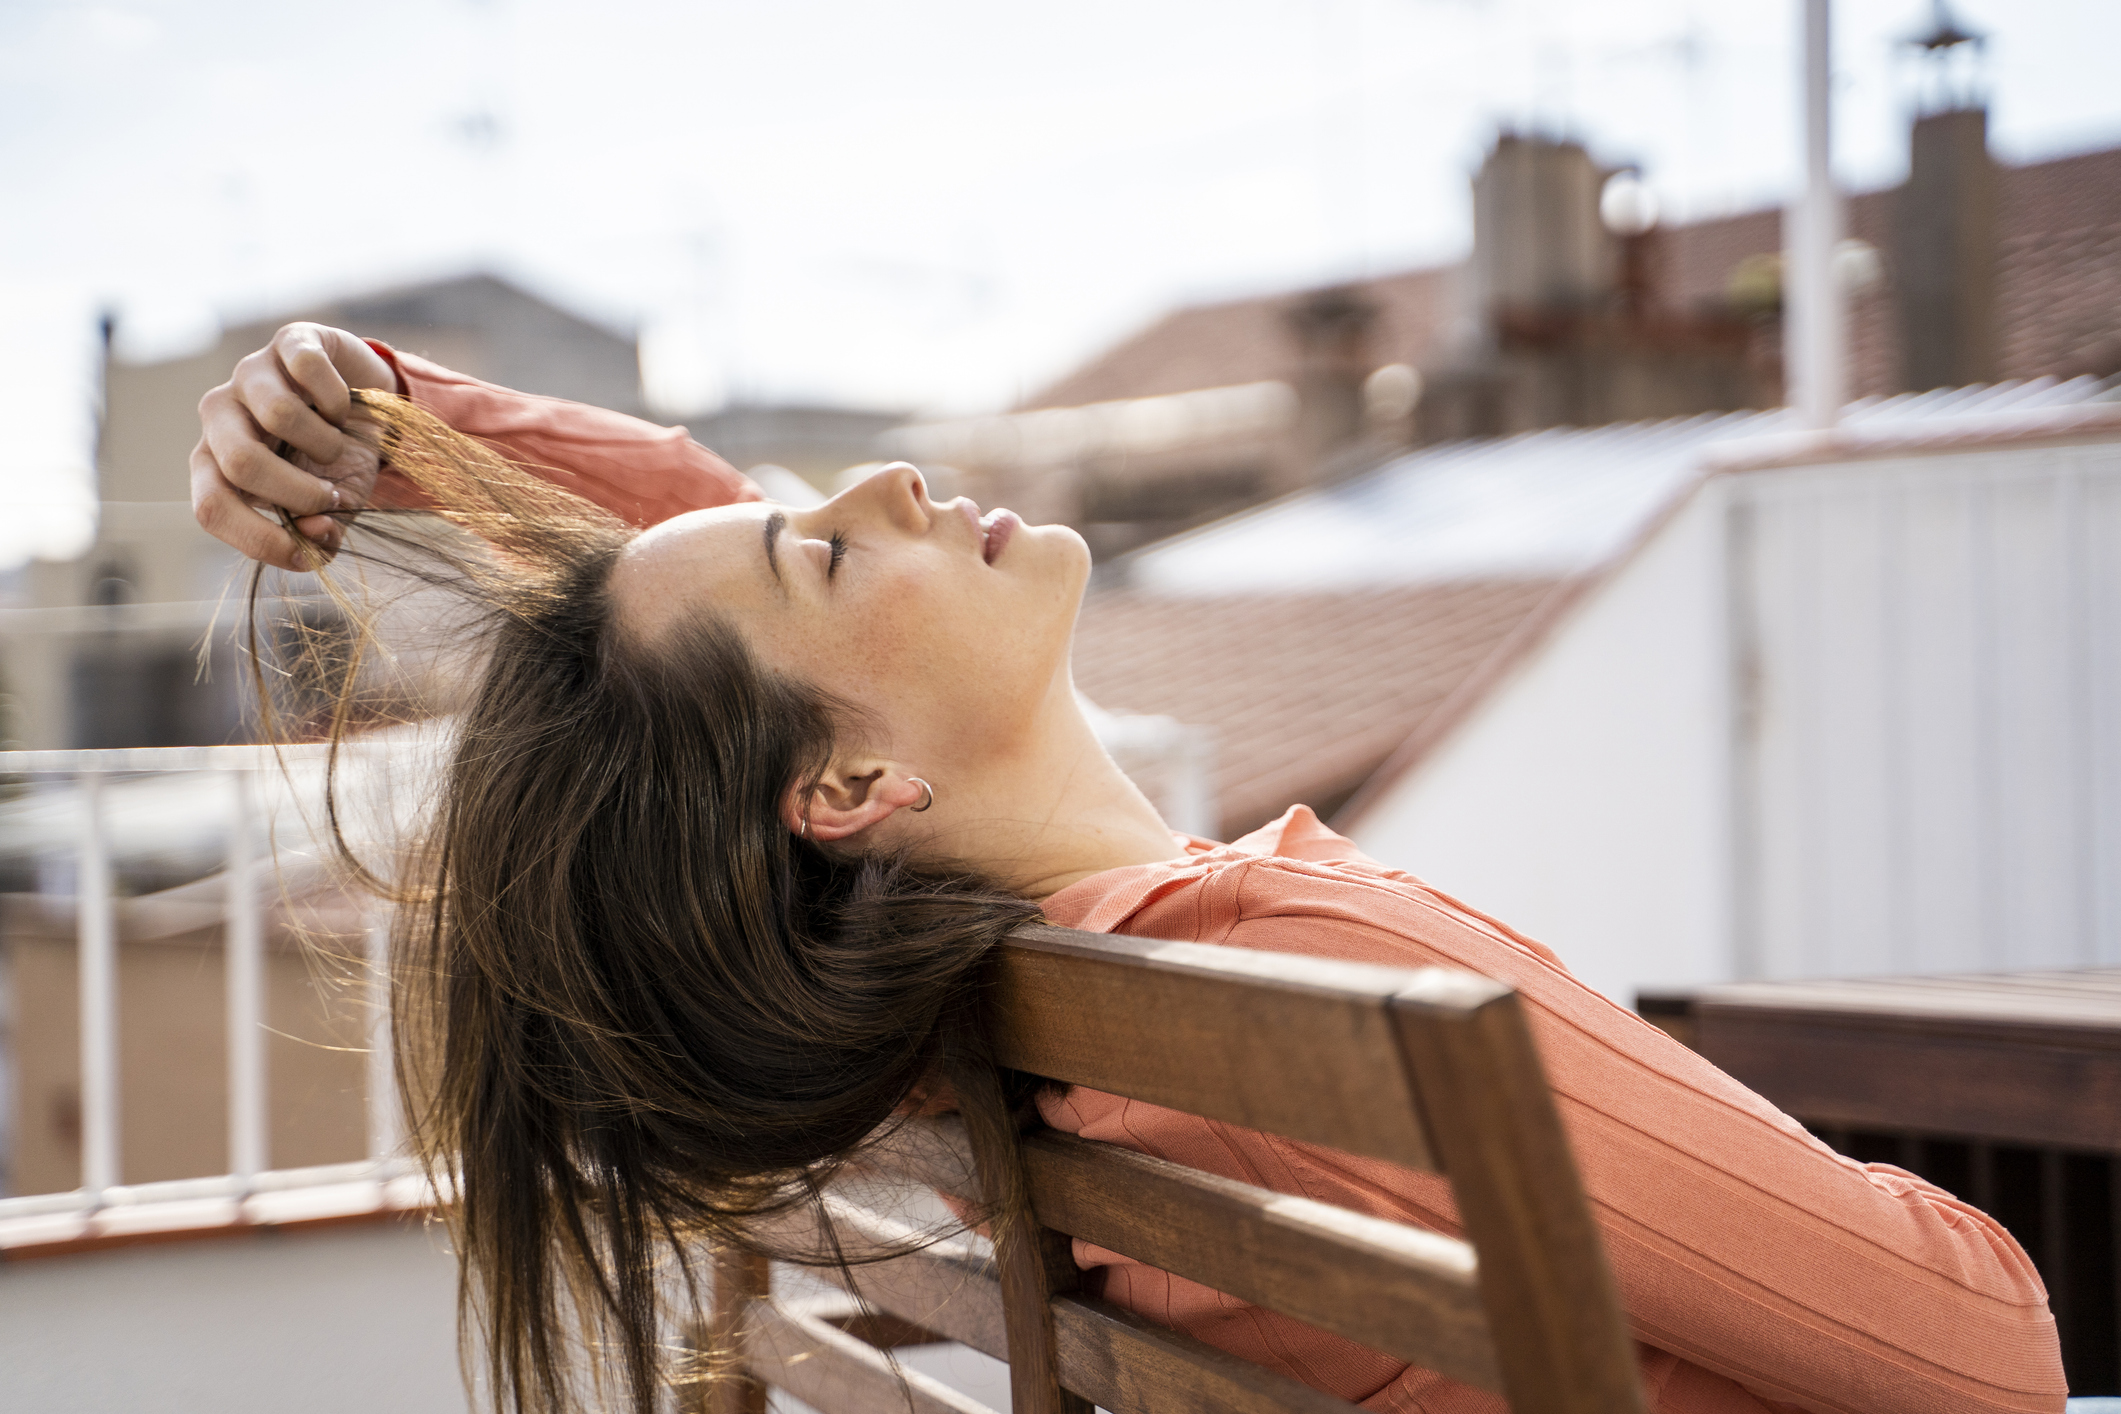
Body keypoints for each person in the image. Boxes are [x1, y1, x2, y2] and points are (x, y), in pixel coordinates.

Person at [193, 323, 2066, 1414]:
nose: (890, 482)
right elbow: (1989, 1354)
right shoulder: (1314, 963)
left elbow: (714, 598)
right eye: (827, 549)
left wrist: (389, 417)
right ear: (851, 781)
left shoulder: (1008, 1021)